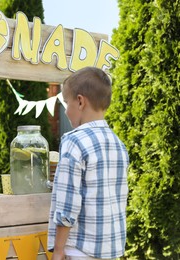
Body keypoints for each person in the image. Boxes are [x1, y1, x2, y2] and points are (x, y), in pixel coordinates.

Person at [48, 67, 129, 260]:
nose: (66, 111)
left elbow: (68, 204)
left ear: (80, 101)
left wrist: (58, 250)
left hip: (79, 248)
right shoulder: (118, 143)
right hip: (110, 247)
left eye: (66, 103)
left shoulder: (73, 141)